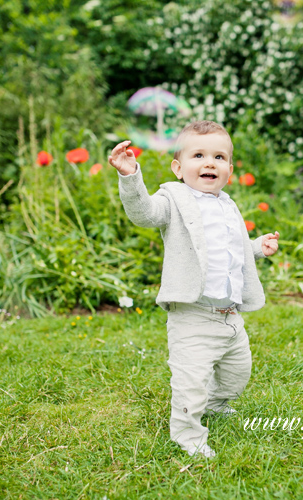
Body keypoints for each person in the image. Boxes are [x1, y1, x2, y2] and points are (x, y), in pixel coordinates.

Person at [108, 120, 280, 459]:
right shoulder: (174, 199)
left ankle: (217, 404)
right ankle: (188, 435)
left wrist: (257, 246)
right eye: (198, 155)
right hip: (193, 315)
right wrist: (130, 176)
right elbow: (144, 213)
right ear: (178, 167)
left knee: (237, 374)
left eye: (219, 156)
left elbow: (231, 248)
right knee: (191, 382)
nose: (209, 163)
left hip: (230, 316)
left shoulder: (228, 204)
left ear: (229, 168)